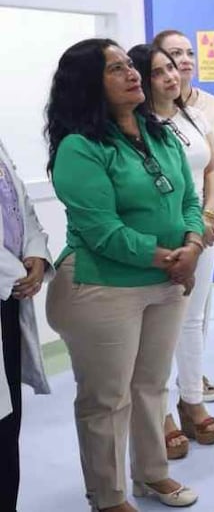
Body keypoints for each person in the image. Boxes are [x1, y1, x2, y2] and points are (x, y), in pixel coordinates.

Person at [44, 38, 203, 511]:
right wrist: (170, 258)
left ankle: (152, 475)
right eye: (115, 69)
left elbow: (189, 200)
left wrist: (192, 245)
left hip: (165, 284)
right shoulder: (80, 147)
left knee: (151, 386)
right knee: (107, 399)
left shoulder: (160, 134)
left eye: (128, 66)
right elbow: (101, 230)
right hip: (101, 287)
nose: (132, 73)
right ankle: (108, 495)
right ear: (89, 84)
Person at [129, 44, 214, 460]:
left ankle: (191, 399)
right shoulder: (137, 127)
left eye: (173, 67)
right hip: (169, 237)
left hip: (204, 228)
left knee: (194, 317)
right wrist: (190, 230)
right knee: (161, 325)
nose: (172, 75)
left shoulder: (193, 116)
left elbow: (210, 167)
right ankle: (162, 413)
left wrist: (208, 216)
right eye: (159, 71)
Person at [153, 29, 214, 403]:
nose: (184, 62)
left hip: (208, 217)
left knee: (197, 309)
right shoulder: (142, 118)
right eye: (173, 56)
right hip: (165, 224)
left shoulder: (209, 109)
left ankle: (191, 384)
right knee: (164, 308)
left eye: (188, 53)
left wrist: (212, 189)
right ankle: (159, 399)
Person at [0, 138, 53, 511]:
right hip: (8, 283)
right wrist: (16, 272)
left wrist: (35, 252)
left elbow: (22, 209)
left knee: (6, 429)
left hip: (7, 301)